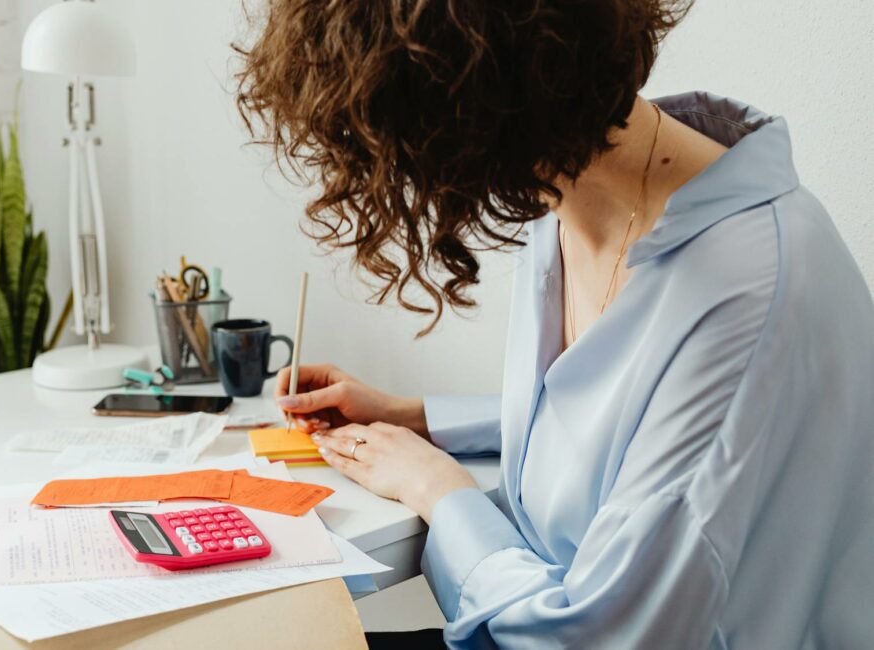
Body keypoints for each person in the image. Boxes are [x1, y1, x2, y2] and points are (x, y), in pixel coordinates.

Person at [235, 0, 874, 648]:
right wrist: (416, 416)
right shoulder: (566, 196)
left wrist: (436, 488)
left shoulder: (745, 297)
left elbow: (597, 636)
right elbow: (622, 425)